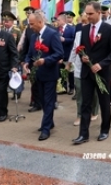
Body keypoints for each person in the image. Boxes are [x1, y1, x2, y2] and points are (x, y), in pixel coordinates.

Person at [72, 1, 111, 144]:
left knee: (104, 102)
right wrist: (83, 56)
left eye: (91, 14)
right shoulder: (84, 29)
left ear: (99, 13)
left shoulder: (109, 30)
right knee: (85, 104)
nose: (88, 16)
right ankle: (83, 134)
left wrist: (101, 64)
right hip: (86, 73)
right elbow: (81, 48)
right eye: (86, 13)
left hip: (102, 73)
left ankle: (104, 130)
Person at [24, 12, 64, 141]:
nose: (30, 27)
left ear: (40, 22)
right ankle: (50, 122)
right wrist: (26, 63)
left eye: (32, 24)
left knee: (48, 101)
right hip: (38, 74)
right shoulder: (34, 35)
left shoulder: (52, 34)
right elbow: (30, 53)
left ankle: (46, 129)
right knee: (41, 100)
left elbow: (59, 53)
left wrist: (45, 61)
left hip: (49, 74)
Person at [67, 14, 99, 126]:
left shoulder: (96, 34)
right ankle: (80, 115)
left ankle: (94, 111)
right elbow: (74, 49)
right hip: (79, 67)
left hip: (92, 66)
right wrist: (69, 62)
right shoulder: (79, 34)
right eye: (83, 23)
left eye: (87, 23)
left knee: (94, 91)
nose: (84, 25)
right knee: (79, 91)